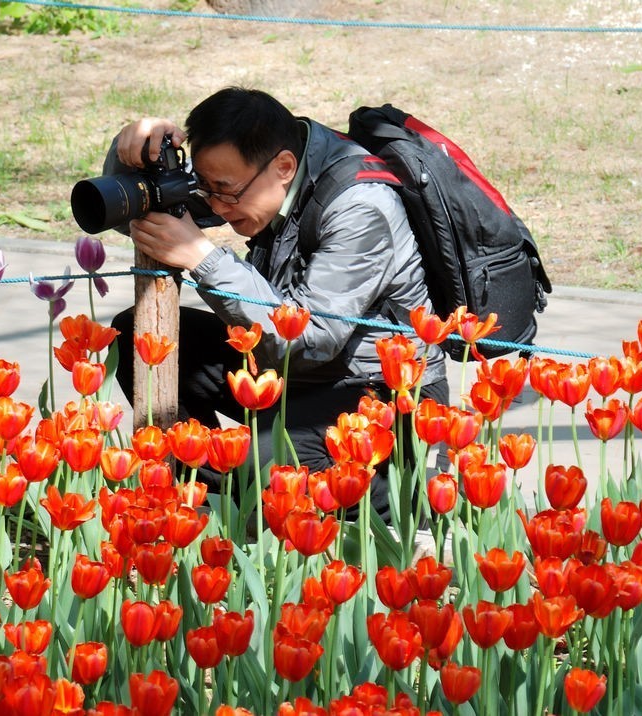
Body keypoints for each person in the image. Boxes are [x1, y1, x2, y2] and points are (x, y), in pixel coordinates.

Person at [107, 87, 448, 518]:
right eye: (205, 187)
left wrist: (202, 258)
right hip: (297, 372)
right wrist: (134, 155)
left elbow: (311, 338)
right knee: (134, 334)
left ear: (285, 167)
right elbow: (136, 217)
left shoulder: (361, 205)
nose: (213, 205)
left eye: (224, 192)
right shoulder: (260, 173)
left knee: (264, 462)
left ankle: (403, 499)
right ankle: (211, 483)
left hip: (380, 391)